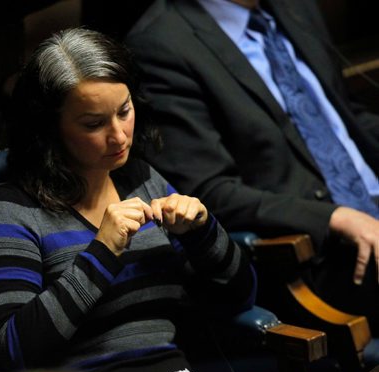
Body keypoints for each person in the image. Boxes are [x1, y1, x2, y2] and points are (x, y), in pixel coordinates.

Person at [0, 27, 294, 372]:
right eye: (93, 124)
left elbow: (240, 297)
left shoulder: (139, 179)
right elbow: (14, 351)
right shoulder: (8, 212)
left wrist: (203, 232)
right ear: (49, 129)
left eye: (124, 111)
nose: (120, 136)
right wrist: (102, 251)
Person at [124, 0, 379, 333]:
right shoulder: (160, 43)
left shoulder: (293, 7)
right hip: (323, 252)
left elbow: (344, 117)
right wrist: (335, 217)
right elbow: (209, 193)